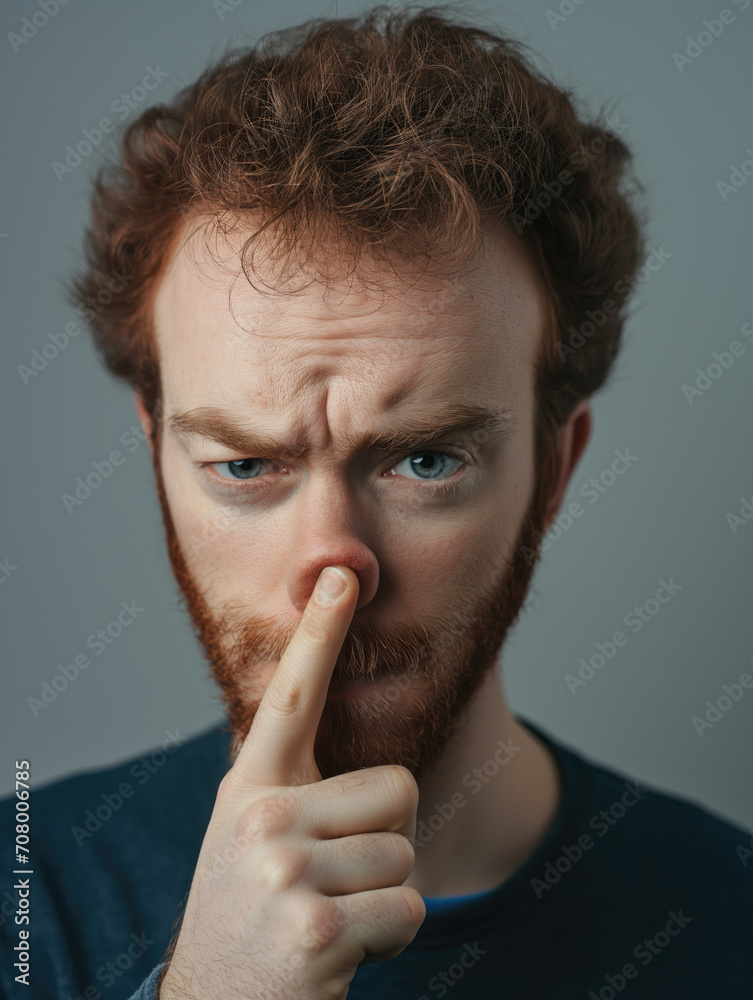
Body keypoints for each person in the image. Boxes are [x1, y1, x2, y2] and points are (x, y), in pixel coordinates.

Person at [1, 6, 750, 999]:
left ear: (555, 469)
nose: (335, 564)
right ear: (155, 460)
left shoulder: (728, 919)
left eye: (426, 461)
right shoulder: (25, 892)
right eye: (244, 464)